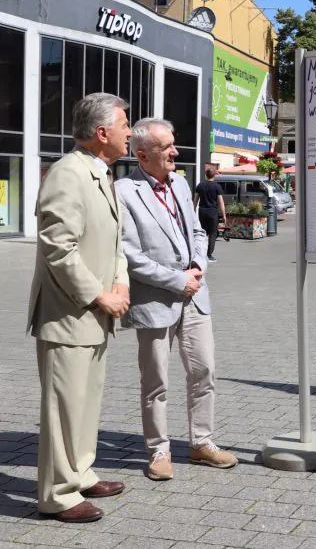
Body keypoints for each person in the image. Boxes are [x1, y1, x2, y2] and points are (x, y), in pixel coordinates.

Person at [28, 93, 132, 523]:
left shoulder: (101, 173)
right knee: (63, 406)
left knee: (86, 401)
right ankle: (57, 494)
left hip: (96, 314)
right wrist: (99, 294)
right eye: (125, 125)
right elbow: (58, 246)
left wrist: (122, 281)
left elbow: (114, 243)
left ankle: (80, 471)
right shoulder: (68, 173)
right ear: (102, 133)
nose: (131, 132)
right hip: (68, 314)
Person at [115, 118, 238, 482]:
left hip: (195, 296)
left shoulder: (182, 183)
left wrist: (199, 264)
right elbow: (128, 253)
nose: (175, 152)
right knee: (156, 382)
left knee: (204, 371)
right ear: (142, 154)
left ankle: (201, 443)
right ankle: (159, 450)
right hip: (155, 300)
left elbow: (198, 230)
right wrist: (176, 280)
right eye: (166, 147)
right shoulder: (123, 191)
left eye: (173, 144)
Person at [193, 168, 226, 262]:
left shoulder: (200, 185)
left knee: (202, 233)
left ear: (206, 175)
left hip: (202, 212)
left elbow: (195, 201)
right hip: (213, 212)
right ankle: (209, 255)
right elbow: (221, 202)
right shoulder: (217, 186)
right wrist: (224, 215)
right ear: (214, 175)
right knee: (212, 233)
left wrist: (192, 212)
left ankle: (201, 253)